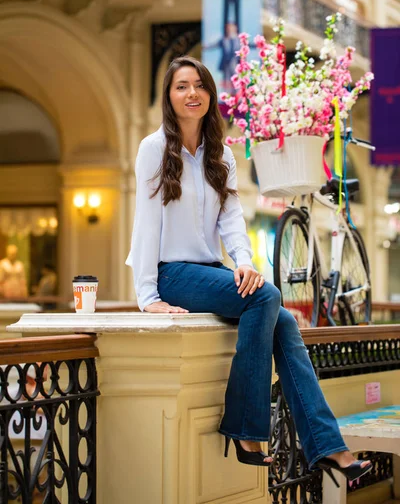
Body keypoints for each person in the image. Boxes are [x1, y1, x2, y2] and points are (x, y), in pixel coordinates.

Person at [126, 56, 372, 483]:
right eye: (182, 86)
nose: (192, 93)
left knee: (282, 324)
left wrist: (244, 264)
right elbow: (146, 223)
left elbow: (231, 219)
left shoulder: (221, 152)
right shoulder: (153, 148)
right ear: (169, 96)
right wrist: (147, 297)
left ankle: (326, 446)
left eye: (200, 85)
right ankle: (246, 428)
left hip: (210, 269)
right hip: (172, 273)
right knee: (268, 297)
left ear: (210, 96)